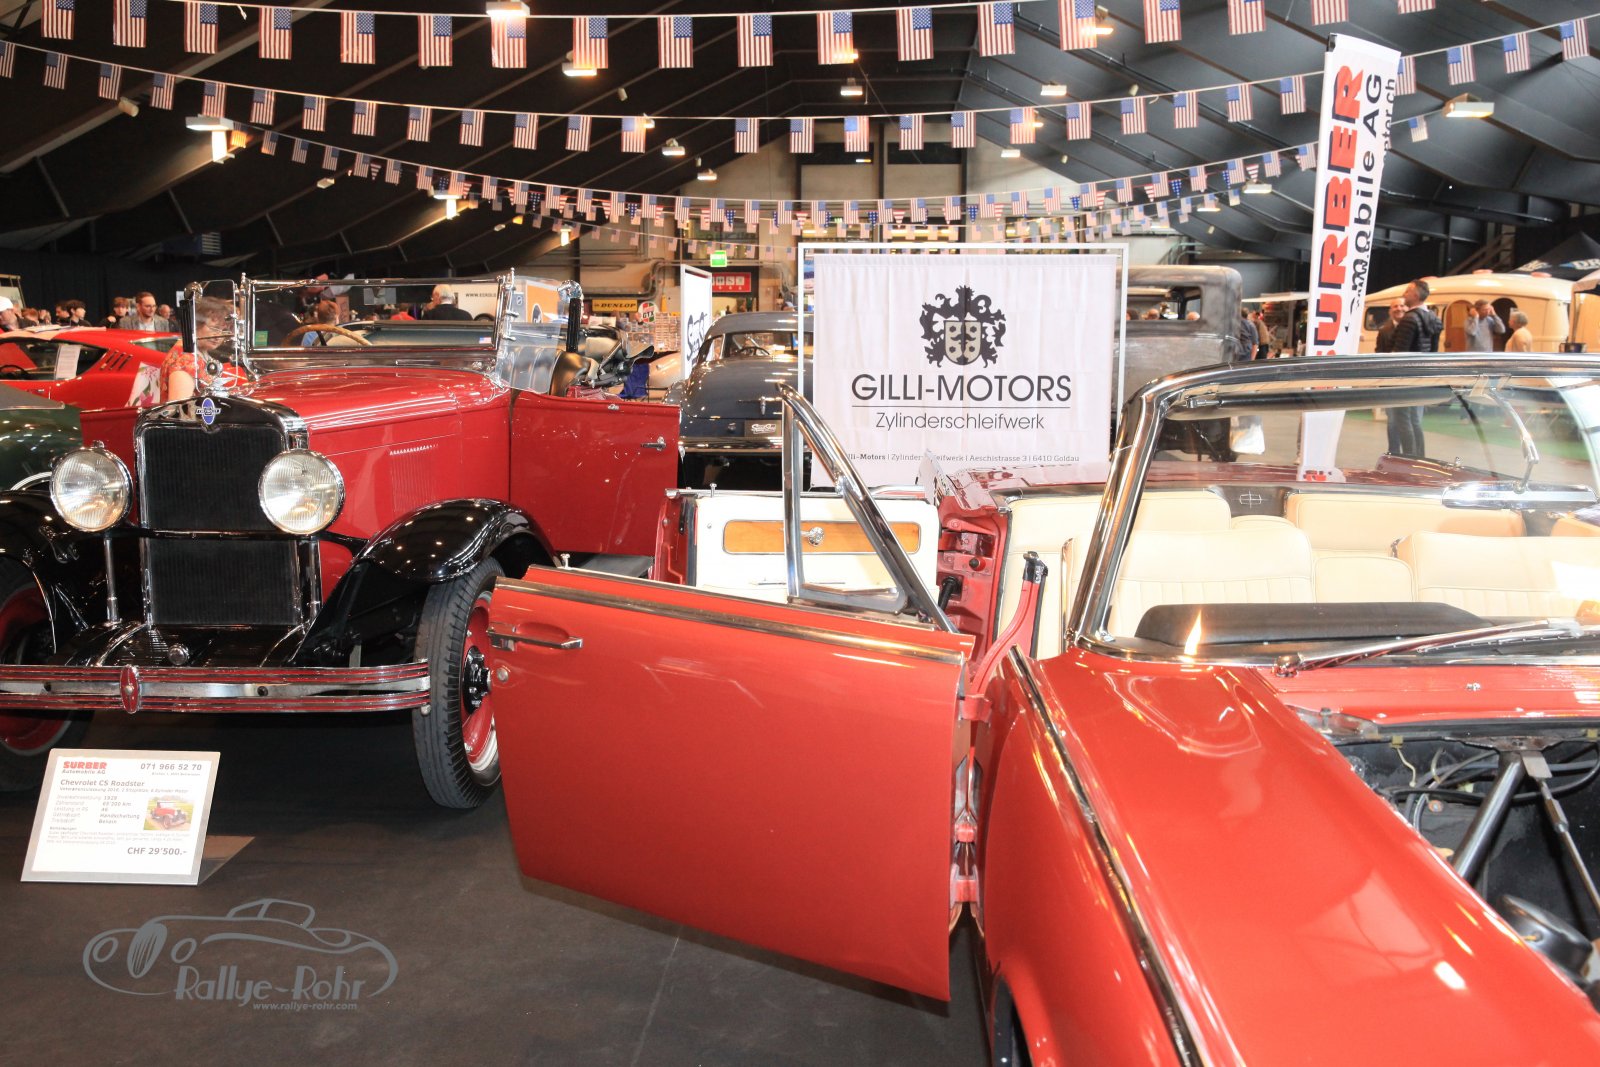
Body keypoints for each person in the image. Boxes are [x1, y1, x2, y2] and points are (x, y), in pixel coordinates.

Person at [1384, 279, 1441, 458]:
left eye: (1407, 291)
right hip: (1421, 378)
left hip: (1404, 379)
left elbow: (1399, 354)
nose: (1404, 294)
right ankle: (1420, 457)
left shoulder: (1409, 319)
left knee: (1402, 420)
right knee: (1415, 421)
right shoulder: (1433, 318)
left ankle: (1408, 458)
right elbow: (1433, 352)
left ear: (1415, 295)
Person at [161, 296, 235, 402]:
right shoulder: (185, 360)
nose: (218, 336)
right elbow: (179, 408)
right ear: (196, 324)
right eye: (214, 328)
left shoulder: (198, 351)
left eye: (223, 330)